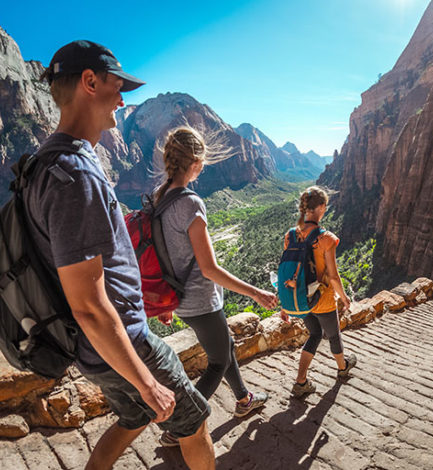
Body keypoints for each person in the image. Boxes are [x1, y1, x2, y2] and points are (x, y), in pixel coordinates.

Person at [29, 40, 213, 470]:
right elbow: (89, 304)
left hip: (92, 348)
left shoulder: (43, 162)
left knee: (132, 418)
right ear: (90, 82)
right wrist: (147, 381)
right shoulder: (75, 174)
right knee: (194, 421)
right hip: (124, 343)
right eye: (118, 85)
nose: (123, 97)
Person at [152, 127, 278, 446]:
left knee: (226, 347)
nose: (204, 166)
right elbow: (209, 269)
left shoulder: (160, 196)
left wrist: (165, 304)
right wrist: (256, 293)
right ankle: (180, 427)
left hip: (179, 299)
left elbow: (161, 252)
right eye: (202, 160)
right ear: (194, 160)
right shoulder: (190, 202)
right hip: (201, 301)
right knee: (218, 361)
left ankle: (243, 399)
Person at [280, 187, 357, 397]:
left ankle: (301, 381)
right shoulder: (327, 239)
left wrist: (284, 303)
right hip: (321, 299)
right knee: (333, 335)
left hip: (301, 299)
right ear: (321, 207)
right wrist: (344, 297)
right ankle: (343, 368)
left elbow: (288, 269)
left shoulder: (290, 235)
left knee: (314, 333)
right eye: (325, 205)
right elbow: (333, 276)